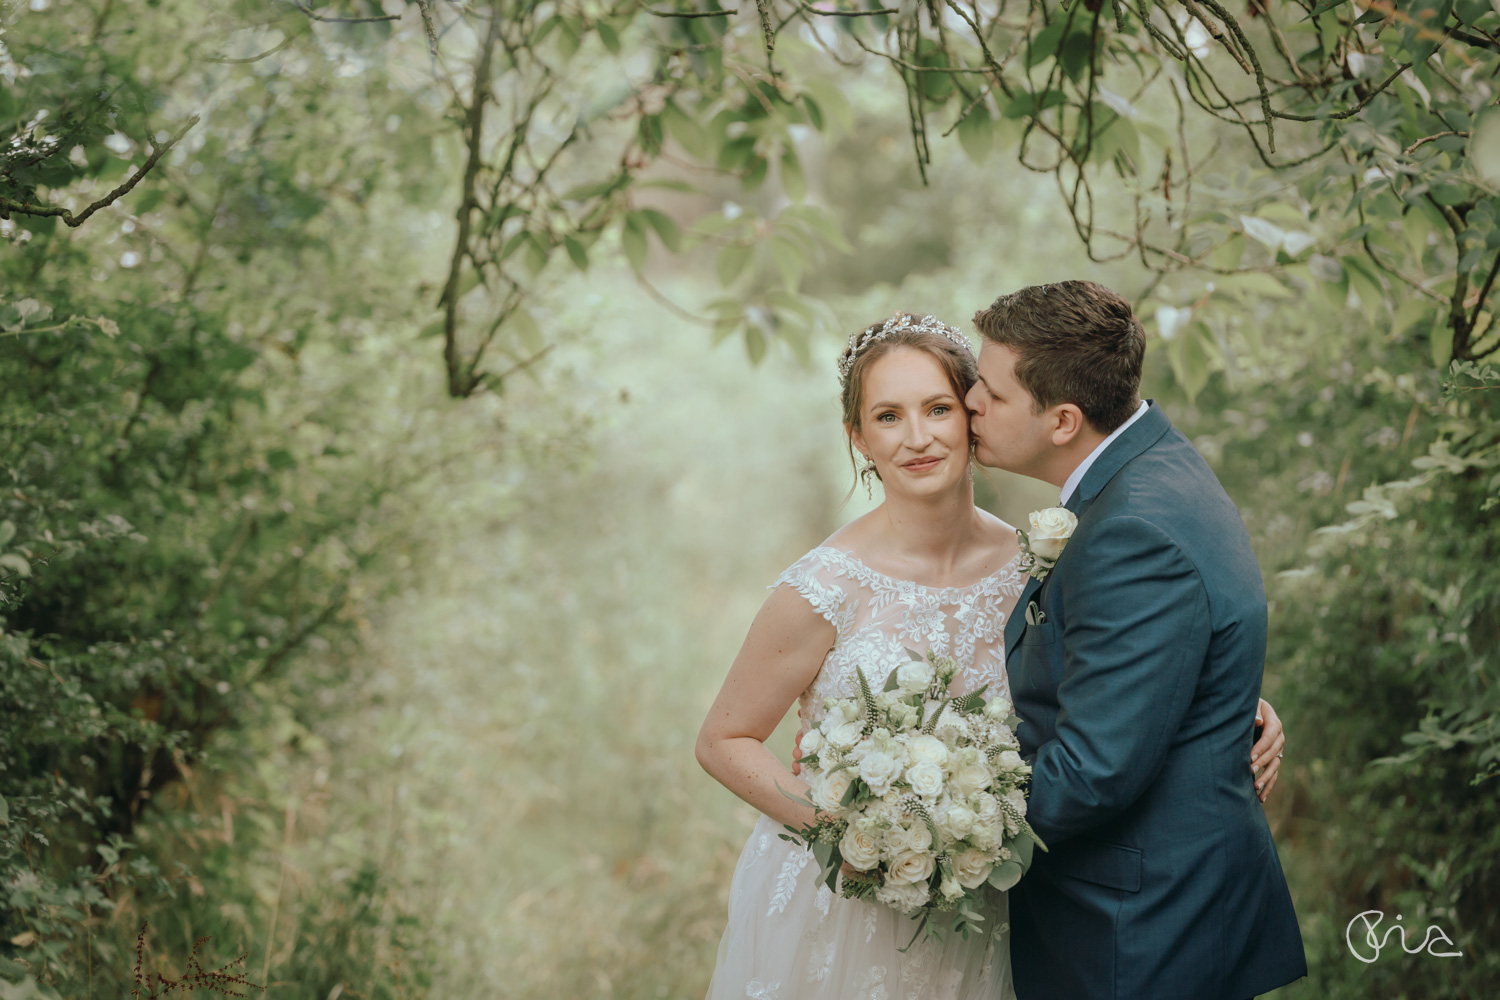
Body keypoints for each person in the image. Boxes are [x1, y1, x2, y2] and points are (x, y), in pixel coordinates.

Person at [696, 311, 1285, 1000]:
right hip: (845, 904)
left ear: (973, 416)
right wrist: (856, 835)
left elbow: (1123, 672)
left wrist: (1229, 709)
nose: (918, 437)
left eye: (938, 408)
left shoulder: (1036, 566)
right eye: (887, 416)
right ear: (857, 436)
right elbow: (723, 739)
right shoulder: (822, 587)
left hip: (988, 909)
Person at [965, 280, 1306, 1000]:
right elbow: (1166, 651)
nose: (970, 404)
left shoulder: (1130, 530)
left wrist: (945, 833)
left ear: (1062, 420)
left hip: (1139, 931)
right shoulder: (1154, 466)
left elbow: (1093, 770)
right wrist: (1223, 703)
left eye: (989, 394)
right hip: (1165, 906)